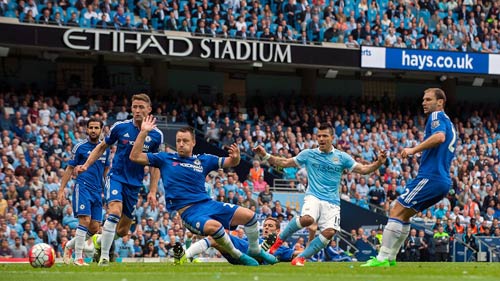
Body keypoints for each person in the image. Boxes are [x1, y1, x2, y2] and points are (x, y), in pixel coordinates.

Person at [129, 116, 278, 266]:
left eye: (185, 141)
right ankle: (238, 255)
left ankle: (255, 250)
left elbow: (231, 162)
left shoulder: (203, 160)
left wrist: (236, 157)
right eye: (178, 141)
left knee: (250, 216)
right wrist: (143, 132)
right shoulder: (165, 158)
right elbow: (134, 156)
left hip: (209, 204)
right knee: (216, 228)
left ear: (193, 142)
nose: (181, 144)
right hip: (190, 212)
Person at [254, 122, 387, 266]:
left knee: (329, 232)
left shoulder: (342, 157)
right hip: (313, 196)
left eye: (325, 136)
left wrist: (378, 163)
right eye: (319, 136)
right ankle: (277, 242)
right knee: (307, 219)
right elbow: (285, 162)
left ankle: (300, 258)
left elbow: (363, 169)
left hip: (332, 202)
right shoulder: (309, 154)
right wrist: (265, 155)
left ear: (332, 138)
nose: (321, 139)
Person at [362, 88, 456, 267]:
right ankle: (390, 258)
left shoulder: (436, 117)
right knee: (404, 216)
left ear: (440, 102)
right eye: (424, 99)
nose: (424, 102)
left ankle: (382, 258)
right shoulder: (450, 122)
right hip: (442, 179)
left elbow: (439, 137)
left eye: (428, 99)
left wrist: (413, 150)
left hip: (431, 176)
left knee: (396, 209)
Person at [75, 94, 163, 266]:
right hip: (116, 177)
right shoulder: (120, 127)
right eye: (134, 106)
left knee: (123, 230)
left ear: (149, 110)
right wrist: (86, 165)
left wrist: (152, 191)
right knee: (114, 211)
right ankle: (105, 258)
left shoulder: (156, 135)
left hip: (135, 183)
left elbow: (155, 165)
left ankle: (99, 243)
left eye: (141, 107)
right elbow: (101, 147)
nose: (137, 110)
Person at [59, 118, 110, 266]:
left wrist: (107, 190)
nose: (93, 130)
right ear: (87, 130)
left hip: (97, 190)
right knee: (84, 220)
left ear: (101, 130)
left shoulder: (104, 149)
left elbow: (106, 171)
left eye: (96, 128)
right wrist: (61, 189)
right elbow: (69, 168)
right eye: (91, 128)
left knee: (94, 227)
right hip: (83, 187)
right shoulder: (79, 147)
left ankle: (69, 246)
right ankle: (78, 258)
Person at [175, 217, 298, 264]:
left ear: (277, 232)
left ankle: (262, 252)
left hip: (248, 257)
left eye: (270, 226)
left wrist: (312, 246)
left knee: (215, 236)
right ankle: (186, 256)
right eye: (265, 225)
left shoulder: (282, 248)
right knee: (213, 239)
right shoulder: (250, 238)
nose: (266, 227)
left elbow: (297, 254)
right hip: (239, 252)